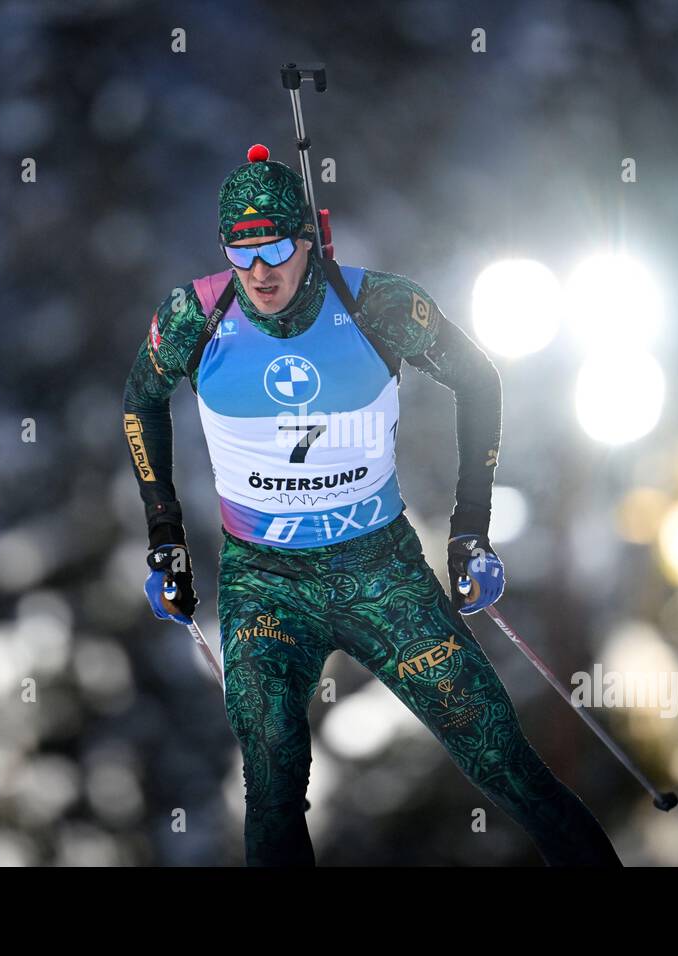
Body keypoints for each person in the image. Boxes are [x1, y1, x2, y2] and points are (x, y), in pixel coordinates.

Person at [122, 143, 621, 867]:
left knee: (497, 751)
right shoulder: (195, 314)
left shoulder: (378, 303)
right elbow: (141, 401)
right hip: (266, 579)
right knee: (272, 774)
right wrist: (165, 534)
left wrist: (470, 532)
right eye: (242, 249)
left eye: (278, 247)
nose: (260, 271)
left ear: (309, 240)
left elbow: (478, 381)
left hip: (379, 568)